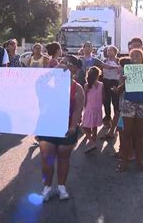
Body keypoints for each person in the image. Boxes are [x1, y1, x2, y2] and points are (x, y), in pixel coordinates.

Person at [37, 55, 85, 201]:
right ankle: (47, 187)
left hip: (67, 128)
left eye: (68, 64)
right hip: (47, 126)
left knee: (64, 158)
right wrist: (54, 70)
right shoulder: (49, 83)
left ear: (75, 69)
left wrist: (73, 126)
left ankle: (61, 186)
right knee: (47, 158)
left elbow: (78, 110)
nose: (64, 65)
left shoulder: (77, 88)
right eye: (62, 62)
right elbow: (38, 83)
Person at [116, 49, 143, 173]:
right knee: (126, 134)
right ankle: (124, 161)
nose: (136, 57)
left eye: (138, 55)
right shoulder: (127, 70)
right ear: (130, 58)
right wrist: (123, 83)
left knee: (141, 134)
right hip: (128, 102)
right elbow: (119, 90)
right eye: (133, 55)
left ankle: (139, 161)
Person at [82, 66, 104, 152]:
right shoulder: (101, 85)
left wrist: (83, 107)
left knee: (84, 126)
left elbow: (84, 98)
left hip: (89, 108)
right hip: (98, 108)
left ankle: (92, 142)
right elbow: (103, 96)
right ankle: (93, 142)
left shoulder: (87, 85)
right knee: (94, 127)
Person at [101, 46, 121, 136]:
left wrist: (112, 68)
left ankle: (116, 121)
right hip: (106, 82)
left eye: (111, 50)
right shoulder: (104, 61)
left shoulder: (118, 61)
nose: (109, 52)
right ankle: (107, 119)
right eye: (108, 50)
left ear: (115, 52)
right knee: (106, 101)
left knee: (115, 102)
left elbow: (120, 70)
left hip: (115, 82)